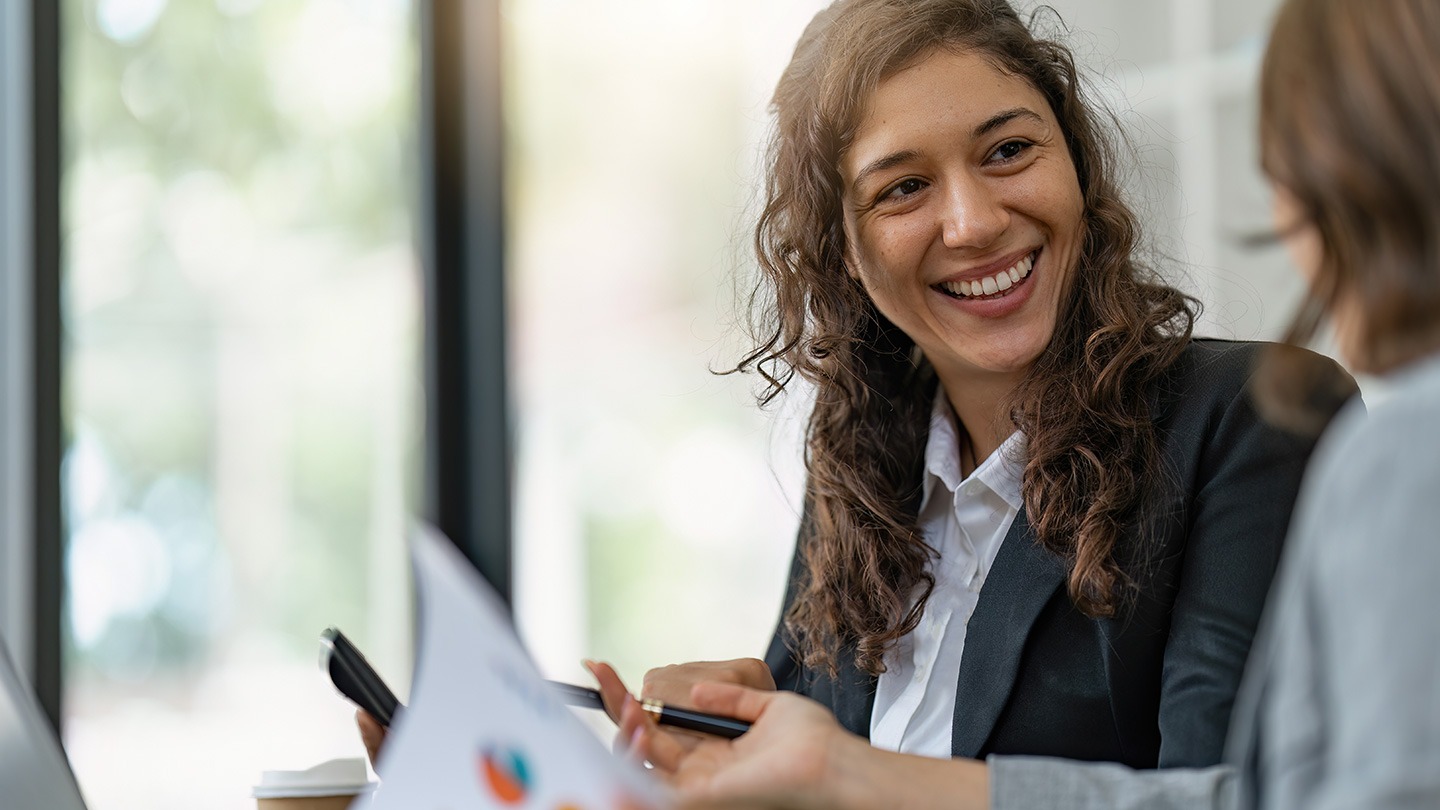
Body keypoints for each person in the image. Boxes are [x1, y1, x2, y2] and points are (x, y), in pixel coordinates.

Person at [600, 0, 1440, 808]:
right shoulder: (860, 470)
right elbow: (807, 767)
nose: (971, 222)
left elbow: (1240, 796)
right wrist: (734, 729)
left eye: (1006, 151)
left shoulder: (1251, 421)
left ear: (1075, 164)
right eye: (903, 189)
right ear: (842, 250)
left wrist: (847, 777)